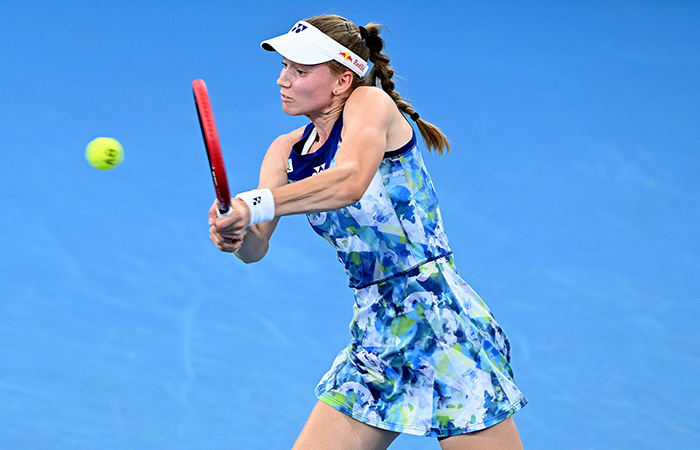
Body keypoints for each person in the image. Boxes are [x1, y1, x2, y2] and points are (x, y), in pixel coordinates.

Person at [208, 14, 527, 450]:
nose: (283, 80)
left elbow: (350, 179)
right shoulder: (284, 151)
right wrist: (236, 230)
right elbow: (256, 247)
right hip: (376, 333)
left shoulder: (370, 105)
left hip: (443, 323)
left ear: (342, 82)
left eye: (300, 71)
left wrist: (255, 202)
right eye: (284, 67)